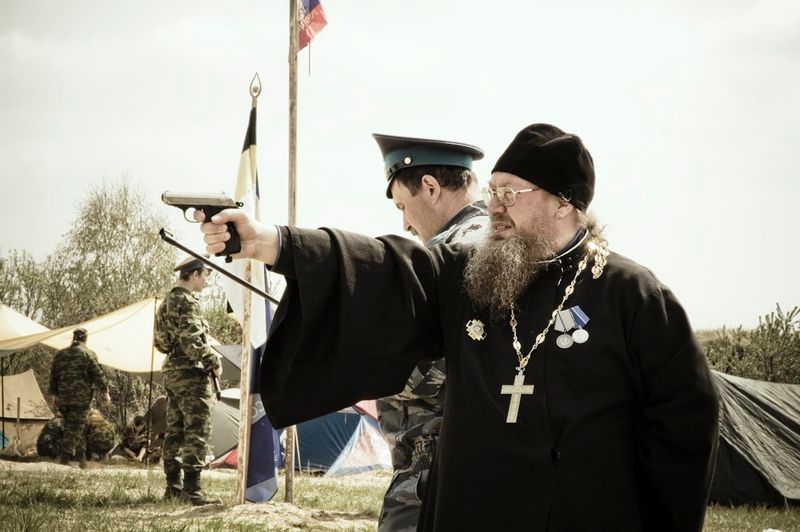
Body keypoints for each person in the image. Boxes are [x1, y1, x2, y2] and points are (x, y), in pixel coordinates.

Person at [196, 123, 720, 531]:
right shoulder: (473, 274)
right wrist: (271, 242)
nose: (492, 206)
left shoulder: (633, 295)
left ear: (565, 202)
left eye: (511, 193)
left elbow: (684, 424)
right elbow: (387, 267)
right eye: (491, 190)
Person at [371, 133, 489, 531]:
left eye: (403, 206)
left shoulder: (449, 255)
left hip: (431, 471)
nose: (404, 222)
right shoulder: (501, 241)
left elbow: (445, 364)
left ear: (431, 187)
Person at [154, 256, 222, 505]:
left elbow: (160, 343)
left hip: (172, 371)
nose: (206, 281)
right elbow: (193, 341)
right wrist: (213, 361)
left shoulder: (166, 303)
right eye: (205, 275)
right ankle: (192, 490)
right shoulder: (188, 302)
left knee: (175, 429)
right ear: (194, 274)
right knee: (197, 429)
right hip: (191, 374)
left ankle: (173, 486)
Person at [48, 327, 110, 469]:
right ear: (85, 339)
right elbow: (97, 374)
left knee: (77, 427)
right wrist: (104, 391)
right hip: (80, 399)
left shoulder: (60, 355)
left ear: (73, 338)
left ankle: (82, 459)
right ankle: (64, 457)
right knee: (75, 428)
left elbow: (54, 376)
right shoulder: (88, 354)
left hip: (63, 397)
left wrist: (54, 394)